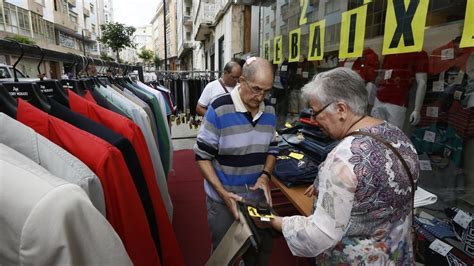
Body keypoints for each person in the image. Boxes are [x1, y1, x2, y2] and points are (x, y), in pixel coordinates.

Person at [268, 67, 420, 264]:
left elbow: (320, 235)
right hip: (397, 254)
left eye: (316, 113)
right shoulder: (397, 135)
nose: (313, 121)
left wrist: (276, 221)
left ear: (341, 109)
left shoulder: (343, 158)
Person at [193, 57, 278, 265]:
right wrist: (223, 194)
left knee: (258, 253)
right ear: (241, 80)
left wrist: (265, 176)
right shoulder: (219, 108)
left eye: (266, 91)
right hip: (223, 199)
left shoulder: (270, 111)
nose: (260, 97)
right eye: (256, 89)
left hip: (255, 197)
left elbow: (273, 149)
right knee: (225, 255)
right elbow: (202, 157)